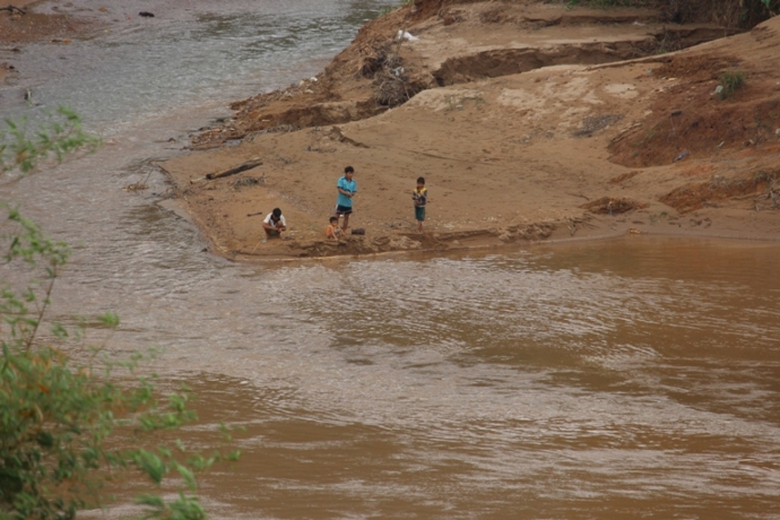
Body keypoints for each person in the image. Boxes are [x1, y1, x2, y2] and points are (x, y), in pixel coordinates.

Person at [334, 165, 357, 232]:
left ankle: (344, 231)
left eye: (351, 173)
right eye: (349, 173)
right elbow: (339, 189)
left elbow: (354, 191)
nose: (350, 175)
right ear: (346, 173)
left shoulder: (353, 182)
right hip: (341, 202)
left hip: (348, 203)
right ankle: (335, 229)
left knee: (346, 217)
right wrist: (345, 193)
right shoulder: (341, 180)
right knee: (336, 216)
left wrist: (351, 195)